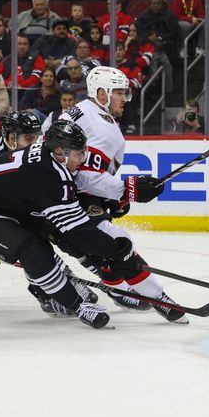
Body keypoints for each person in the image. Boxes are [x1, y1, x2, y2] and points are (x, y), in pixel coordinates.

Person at [0, 120, 126, 328]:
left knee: (59, 235)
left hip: (11, 205)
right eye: (28, 138)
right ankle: (47, 292)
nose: (34, 142)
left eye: (36, 137)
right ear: (10, 138)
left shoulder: (43, 157)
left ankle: (102, 280)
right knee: (31, 249)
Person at [57, 66, 187, 322]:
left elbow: (81, 174)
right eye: (119, 93)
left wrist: (113, 198)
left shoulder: (85, 111)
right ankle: (156, 296)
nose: (125, 99)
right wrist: (130, 189)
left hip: (61, 192)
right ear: (102, 93)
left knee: (95, 248)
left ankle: (118, 288)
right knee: (116, 241)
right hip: (63, 196)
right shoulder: (100, 125)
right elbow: (84, 176)